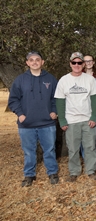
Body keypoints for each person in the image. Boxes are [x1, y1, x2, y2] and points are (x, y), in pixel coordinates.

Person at [8, 51, 59, 187]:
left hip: (47, 123)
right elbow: (13, 100)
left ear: (42, 62)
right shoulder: (20, 80)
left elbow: (57, 98)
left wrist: (54, 111)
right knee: (29, 151)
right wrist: (20, 114)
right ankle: (29, 174)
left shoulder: (51, 79)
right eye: (31, 60)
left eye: (37, 59)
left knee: (49, 149)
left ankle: (52, 172)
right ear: (27, 63)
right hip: (27, 124)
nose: (35, 62)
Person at [55, 52, 96, 182]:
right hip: (71, 120)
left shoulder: (90, 79)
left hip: (87, 120)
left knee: (90, 147)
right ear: (70, 64)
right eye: (74, 62)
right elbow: (60, 101)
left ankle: (91, 171)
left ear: (83, 64)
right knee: (73, 148)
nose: (76, 65)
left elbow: (95, 100)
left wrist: (94, 117)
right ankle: (74, 172)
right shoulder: (64, 80)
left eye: (79, 63)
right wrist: (62, 120)